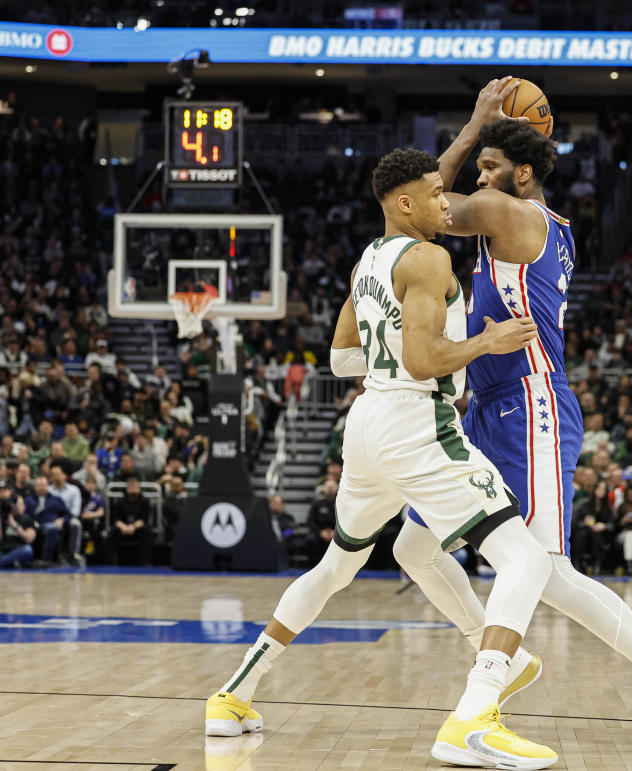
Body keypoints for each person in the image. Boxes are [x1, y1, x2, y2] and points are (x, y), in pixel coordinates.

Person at [391, 81, 632, 757]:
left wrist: (471, 128)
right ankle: (516, 662)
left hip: (531, 407)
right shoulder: (526, 221)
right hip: (489, 409)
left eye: (490, 165)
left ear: (520, 173)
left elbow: (419, 209)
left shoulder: (508, 212)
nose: (478, 176)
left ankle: (490, 696)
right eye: (479, 167)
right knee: (415, 545)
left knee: (546, 568)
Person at [205, 147, 558, 770]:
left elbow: (343, 361)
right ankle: (475, 717)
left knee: (337, 567)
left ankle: (233, 695)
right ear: (405, 203)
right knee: (524, 561)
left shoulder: (367, 261)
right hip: (416, 422)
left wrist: (395, 360)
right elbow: (424, 363)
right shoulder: (428, 257)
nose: (445, 200)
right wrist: (486, 341)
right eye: (433, 192)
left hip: (367, 425)